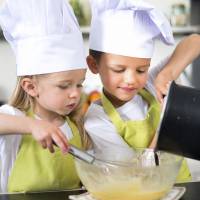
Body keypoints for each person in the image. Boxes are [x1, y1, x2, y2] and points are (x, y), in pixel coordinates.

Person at [84, 0, 193, 183]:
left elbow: (194, 41)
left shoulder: (150, 84)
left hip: (183, 185)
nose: (131, 79)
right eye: (119, 70)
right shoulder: (97, 118)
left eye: (141, 70)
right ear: (94, 65)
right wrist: (164, 126)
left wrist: (167, 73)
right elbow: (133, 171)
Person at [0, 0, 90, 193]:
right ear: (31, 87)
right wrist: (32, 125)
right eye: (64, 86)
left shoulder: (76, 126)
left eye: (79, 83)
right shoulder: (15, 118)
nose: (75, 93)